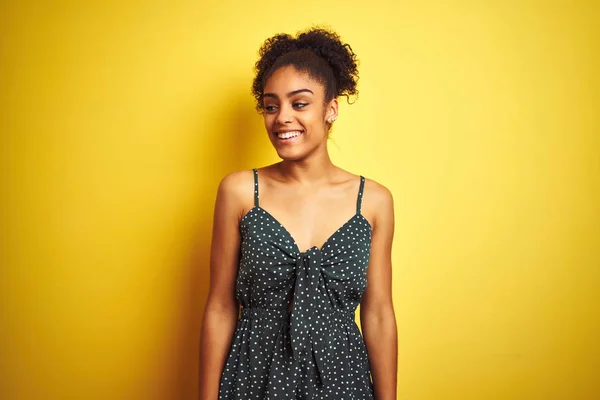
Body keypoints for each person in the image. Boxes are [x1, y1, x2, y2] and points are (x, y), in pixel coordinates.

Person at [199, 27, 397, 400]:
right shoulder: (240, 192)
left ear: (331, 109)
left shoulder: (372, 201)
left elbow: (379, 315)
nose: (282, 118)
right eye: (271, 106)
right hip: (253, 377)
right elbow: (220, 307)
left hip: (343, 381)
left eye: (299, 103)